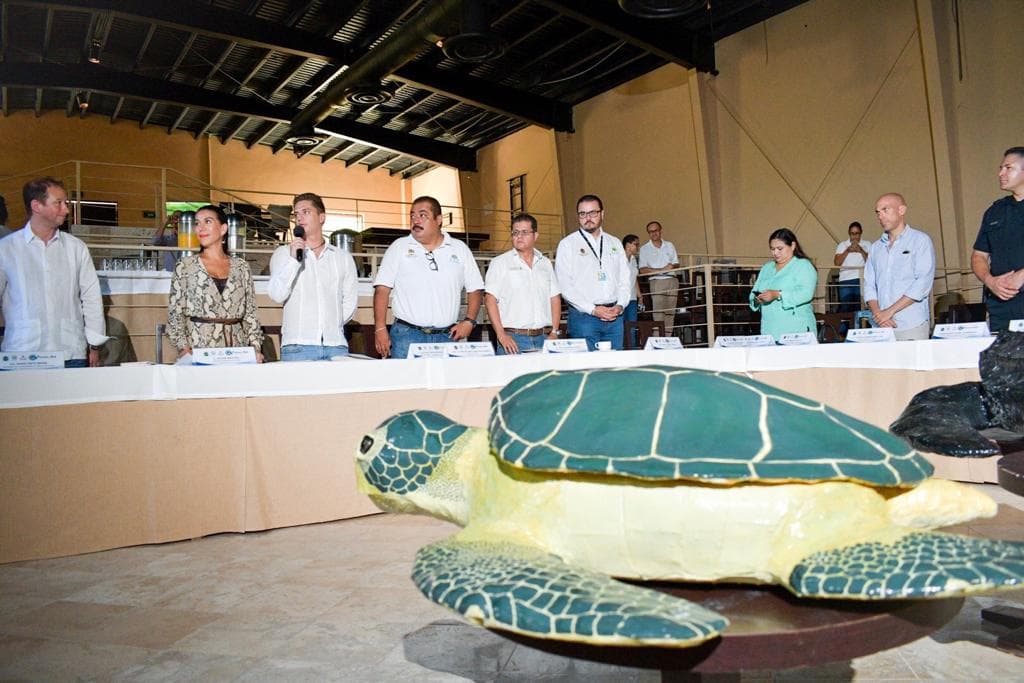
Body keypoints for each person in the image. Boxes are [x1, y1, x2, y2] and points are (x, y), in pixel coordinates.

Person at [0, 177, 107, 367]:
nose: (66, 209)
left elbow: (91, 297)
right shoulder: (7, 249)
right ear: (37, 206)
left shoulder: (76, 248)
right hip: (22, 353)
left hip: (70, 351)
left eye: (65, 203)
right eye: (58, 203)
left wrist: (94, 345)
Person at [373, 195, 483, 359]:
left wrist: (469, 321)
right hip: (406, 337)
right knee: (407, 384)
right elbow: (382, 289)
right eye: (412, 216)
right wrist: (380, 328)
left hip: (447, 337)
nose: (416, 220)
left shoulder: (459, 249)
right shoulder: (399, 247)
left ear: (438, 219)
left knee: (446, 385)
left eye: (422, 215)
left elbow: (475, 288)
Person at [166, 204, 264, 362]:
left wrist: (255, 348)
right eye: (197, 223)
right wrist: (183, 349)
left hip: (237, 351)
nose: (200, 228)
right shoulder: (185, 266)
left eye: (208, 221)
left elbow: (251, 313)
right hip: (198, 349)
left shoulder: (241, 266)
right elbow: (175, 313)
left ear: (223, 229)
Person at [268, 192, 359, 361]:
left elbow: (350, 303)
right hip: (297, 347)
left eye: (306, 212)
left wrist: (331, 324)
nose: (300, 218)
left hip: (335, 346)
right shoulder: (283, 254)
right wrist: (294, 260)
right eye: (296, 214)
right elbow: (276, 294)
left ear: (322, 217)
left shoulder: (342, 258)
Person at [555, 194, 631, 350]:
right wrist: (593, 309)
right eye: (582, 214)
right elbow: (565, 285)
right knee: (587, 369)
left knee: (615, 368)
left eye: (593, 213)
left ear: (602, 214)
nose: (587, 218)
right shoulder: (568, 244)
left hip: (614, 317)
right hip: (584, 318)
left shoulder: (614, 242)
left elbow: (625, 279)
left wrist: (620, 305)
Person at [484, 213, 561, 355]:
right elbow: (490, 300)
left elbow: (554, 298)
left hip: (545, 338)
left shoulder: (545, 264)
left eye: (524, 232)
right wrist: (501, 335)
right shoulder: (500, 263)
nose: (519, 236)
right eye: (515, 232)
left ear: (535, 236)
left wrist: (555, 332)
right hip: (513, 340)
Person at [863, 193, 936, 341]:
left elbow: (922, 283)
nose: (880, 216)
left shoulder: (920, 241)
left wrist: (889, 312)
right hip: (881, 327)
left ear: (901, 210)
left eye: (885, 210)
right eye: (878, 212)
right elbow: (869, 284)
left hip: (911, 325)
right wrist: (879, 315)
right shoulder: (876, 248)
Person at [971, 146, 1024, 332]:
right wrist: (990, 281)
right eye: (1001, 168)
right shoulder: (995, 211)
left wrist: (1021, 275)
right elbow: (979, 256)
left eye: (1008, 168)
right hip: (1001, 307)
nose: (1001, 173)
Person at [749, 228, 818, 339]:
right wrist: (757, 299)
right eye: (772, 249)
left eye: (780, 249)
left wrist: (777, 294)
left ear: (793, 246)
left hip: (797, 330)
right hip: (769, 330)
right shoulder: (766, 268)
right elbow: (754, 292)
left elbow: (806, 293)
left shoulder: (804, 266)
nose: (775, 253)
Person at [638, 220, 679, 331]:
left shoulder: (669, 245)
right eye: (650, 232)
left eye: (655, 230)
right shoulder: (644, 249)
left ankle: (668, 340)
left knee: (670, 314)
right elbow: (642, 270)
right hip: (657, 282)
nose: (653, 233)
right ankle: (658, 340)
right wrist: (662, 270)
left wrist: (671, 267)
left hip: (672, 281)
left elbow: (676, 263)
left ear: (660, 231)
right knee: (658, 314)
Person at [833, 221, 871, 312]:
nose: (854, 236)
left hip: (861, 279)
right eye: (852, 234)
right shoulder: (842, 245)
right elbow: (837, 263)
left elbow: (871, 262)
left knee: (861, 307)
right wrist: (847, 251)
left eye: (857, 233)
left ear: (861, 233)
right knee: (846, 308)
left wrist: (861, 250)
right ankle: (846, 326)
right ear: (849, 234)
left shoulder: (867, 244)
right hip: (846, 280)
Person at [622, 234, 641, 346]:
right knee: (622, 326)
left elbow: (634, 279)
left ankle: (632, 349)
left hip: (632, 298)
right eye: (636, 244)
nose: (638, 247)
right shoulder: (619, 258)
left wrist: (640, 296)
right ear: (628, 245)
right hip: (621, 299)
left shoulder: (634, 260)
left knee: (632, 326)